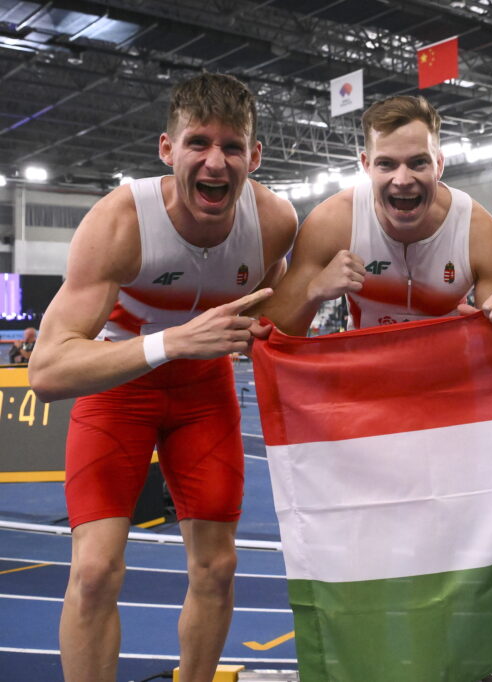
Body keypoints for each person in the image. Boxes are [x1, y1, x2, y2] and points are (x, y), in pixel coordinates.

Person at [28, 73, 298, 682]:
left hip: (205, 396)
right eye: (198, 143)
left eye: (232, 147)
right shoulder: (122, 222)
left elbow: (274, 299)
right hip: (120, 391)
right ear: (166, 150)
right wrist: (172, 342)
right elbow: (46, 370)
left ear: (254, 157)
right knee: (95, 571)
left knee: (218, 568)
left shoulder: (275, 221)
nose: (215, 161)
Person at [260, 94, 492, 339]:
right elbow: (272, 334)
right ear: (366, 165)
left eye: (418, 163)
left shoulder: (478, 232)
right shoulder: (333, 222)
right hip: (366, 377)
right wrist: (313, 291)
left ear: (439, 165)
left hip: (448, 380)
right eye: (386, 164)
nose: (402, 180)